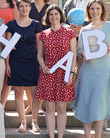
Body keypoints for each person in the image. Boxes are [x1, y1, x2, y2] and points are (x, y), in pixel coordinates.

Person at [35, 5, 76, 138]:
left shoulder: (69, 33)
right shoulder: (43, 34)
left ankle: (60, 136)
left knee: (62, 108)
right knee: (50, 108)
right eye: (51, 14)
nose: (54, 17)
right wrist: (42, 65)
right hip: (48, 73)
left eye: (56, 14)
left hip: (63, 73)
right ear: (48, 17)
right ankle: (51, 135)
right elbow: (39, 55)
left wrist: (71, 73)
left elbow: (73, 54)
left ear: (60, 16)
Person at [72, 0, 110, 138]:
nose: (95, 11)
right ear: (88, 11)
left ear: (102, 10)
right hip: (88, 71)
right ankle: (87, 136)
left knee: (99, 105)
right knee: (87, 103)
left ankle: (98, 136)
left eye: (97, 8)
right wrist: (82, 54)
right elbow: (79, 49)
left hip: (104, 71)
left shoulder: (109, 27)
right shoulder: (84, 29)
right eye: (92, 8)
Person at [6, 0, 42, 133]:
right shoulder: (11, 25)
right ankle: (23, 122)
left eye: (26, 6)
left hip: (32, 62)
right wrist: (7, 64)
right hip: (16, 62)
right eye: (21, 6)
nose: (24, 8)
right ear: (18, 8)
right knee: (18, 92)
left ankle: (34, 122)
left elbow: (39, 46)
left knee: (35, 94)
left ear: (30, 8)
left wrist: (40, 63)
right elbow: (8, 46)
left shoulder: (36, 24)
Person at [24, 0, 50, 115]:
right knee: (30, 77)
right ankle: (31, 105)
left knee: (43, 76)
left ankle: (38, 106)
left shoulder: (50, 7)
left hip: (48, 45)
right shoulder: (29, 6)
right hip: (30, 46)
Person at [0, 0, 19, 108]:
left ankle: (1, 105)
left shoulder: (14, 5)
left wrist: (9, 42)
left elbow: (16, 24)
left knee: (6, 76)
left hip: (8, 43)